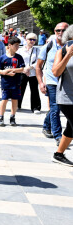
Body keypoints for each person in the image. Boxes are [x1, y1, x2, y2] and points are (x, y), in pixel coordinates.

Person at [37, 22, 69, 146]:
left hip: (67, 83)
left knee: (59, 108)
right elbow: (38, 67)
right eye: (58, 31)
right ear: (54, 32)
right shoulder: (48, 47)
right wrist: (40, 82)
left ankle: (46, 125)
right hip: (52, 82)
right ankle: (58, 136)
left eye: (64, 30)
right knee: (55, 108)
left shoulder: (70, 46)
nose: (60, 33)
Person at [51, 26, 73, 166]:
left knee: (71, 128)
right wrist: (68, 55)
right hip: (66, 97)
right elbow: (56, 72)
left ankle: (58, 154)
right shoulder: (62, 51)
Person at [0, 37, 26, 126]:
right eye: (15, 45)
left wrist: (14, 70)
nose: (17, 47)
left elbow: (21, 69)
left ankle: (12, 117)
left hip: (16, 83)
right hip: (6, 83)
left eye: (18, 45)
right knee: (4, 100)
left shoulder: (18, 57)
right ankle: (1, 117)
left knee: (15, 100)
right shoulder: (2, 58)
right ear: (9, 45)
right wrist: (5, 72)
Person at [17, 32, 42, 113]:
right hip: (22, 72)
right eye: (30, 39)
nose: (32, 41)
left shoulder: (37, 50)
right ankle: (17, 105)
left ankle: (35, 107)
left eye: (34, 40)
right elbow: (17, 60)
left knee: (34, 90)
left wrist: (29, 68)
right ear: (26, 40)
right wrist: (23, 69)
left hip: (33, 72)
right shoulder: (20, 50)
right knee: (20, 88)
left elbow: (39, 61)